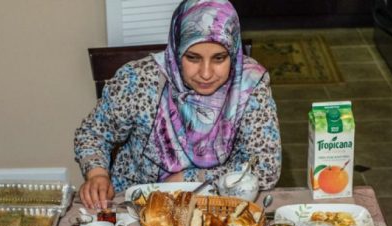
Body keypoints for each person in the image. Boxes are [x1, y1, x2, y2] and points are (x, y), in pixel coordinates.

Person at [74, 0, 282, 209]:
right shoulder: (139, 81)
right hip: (136, 206)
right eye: (193, 58)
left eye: (219, 58)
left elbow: (265, 167)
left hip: (219, 207)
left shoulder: (250, 84)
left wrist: (189, 178)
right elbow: (93, 134)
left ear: (234, 53)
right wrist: (97, 174)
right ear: (176, 51)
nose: (206, 73)